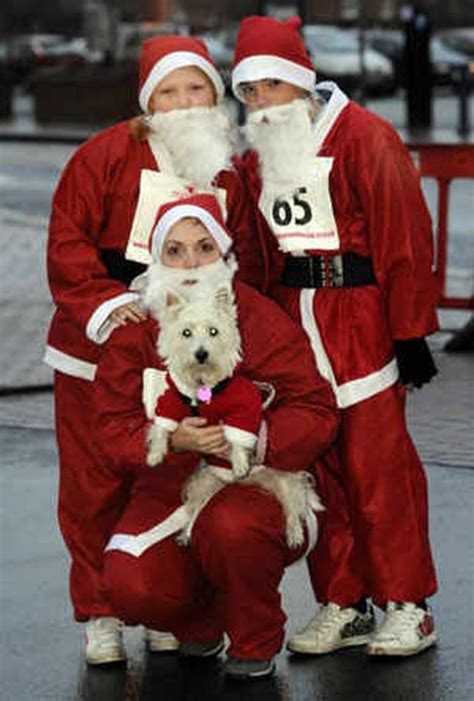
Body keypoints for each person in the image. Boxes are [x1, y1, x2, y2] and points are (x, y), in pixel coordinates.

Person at [44, 34, 260, 663]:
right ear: (148, 100)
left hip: (183, 362)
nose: (185, 102)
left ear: (216, 96)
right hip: (98, 348)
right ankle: (100, 610)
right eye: (170, 91)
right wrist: (106, 305)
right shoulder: (104, 155)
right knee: (93, 486)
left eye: (197, 88)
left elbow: (242, 257)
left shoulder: (228, 172)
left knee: (172, 479)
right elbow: (67, 242)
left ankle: (159, 600)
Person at [231, 15, 439, 657]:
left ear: (300, 78)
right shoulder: (253, 160)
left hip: (360, 319)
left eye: (272, 86)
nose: (262, 103)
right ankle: (344, 601)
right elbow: (256, 251)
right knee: (319, 474)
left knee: (379, 469)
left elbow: (404, 235)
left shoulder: (364, 137)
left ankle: (409, 604)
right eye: (249, 92)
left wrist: (410, 331)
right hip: (296, 322)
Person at [93, 192, 339, 680]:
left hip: (260, 484)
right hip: (169, 488)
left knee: (232, 529)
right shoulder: (138, 324)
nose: (190, 262)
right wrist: (170, 440)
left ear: (223, 252)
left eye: (204, 247)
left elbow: (317, 408)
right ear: (155, 258)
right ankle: (197, 617)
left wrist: (249, 439)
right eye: (175, 250)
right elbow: (109, 426)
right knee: (130, 583)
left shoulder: (255, 313)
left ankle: (254, 638)